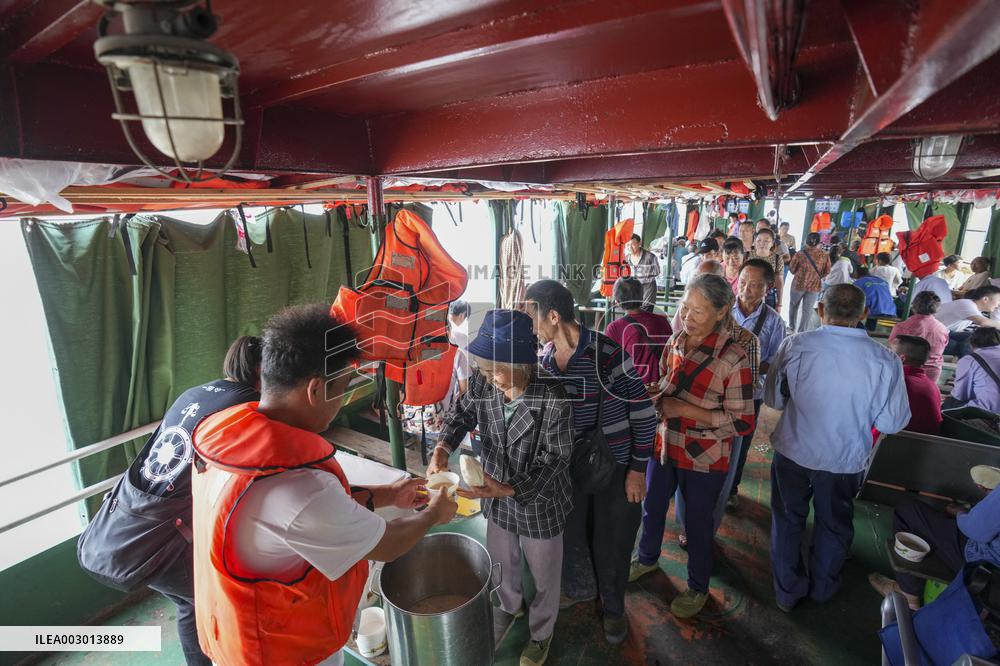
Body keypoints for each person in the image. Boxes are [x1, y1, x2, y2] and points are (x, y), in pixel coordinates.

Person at [191, 305, 458, 666]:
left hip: (231, 623)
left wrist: (388, 495)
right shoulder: (297, 489)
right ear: (316, 390)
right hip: (280, 649)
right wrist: (433, 515)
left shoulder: (228, 438)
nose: (342, 402)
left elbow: (301, 521)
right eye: (343, 390)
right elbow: (388, 543)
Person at [78, 336, 262, 666]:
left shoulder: (193, 394)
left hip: (130, 522)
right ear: (264, 369)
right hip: (161, 538)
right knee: (207, 601)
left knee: (188, 604)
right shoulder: (247, 403)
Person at [427, 310, 573, 666]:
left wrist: (507, 489)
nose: (491, 378)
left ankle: (542, 632)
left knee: (544, 574)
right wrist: (442, 448)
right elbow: (462, 414)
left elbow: (555, 462)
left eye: (498, 370)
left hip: (538, 502)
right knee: (501, 561)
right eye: (486, 369)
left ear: (523, 363)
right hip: (493, 492)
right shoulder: (482, 381)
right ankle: (509, 605)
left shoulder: (553, 399)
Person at [523, 280, 656, 645]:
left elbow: (644, 414)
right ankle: (580, 588)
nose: (528, 322)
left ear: (552, 315)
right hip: (570, 468)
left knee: (612, 541)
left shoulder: (609, 354)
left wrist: (637, 470)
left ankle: (613, 609)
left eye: (531, 313)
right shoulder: (546, 361)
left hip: (615, 466)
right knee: (572, 534)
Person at [765, 284, 910, 612]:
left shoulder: (796, 345)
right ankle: (823, 589)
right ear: (864, 314)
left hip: (793, 451)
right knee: (834, 524)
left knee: (788, 520)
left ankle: (788, 593)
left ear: (819, 310)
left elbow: (774, 399)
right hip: (844, 460)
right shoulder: (885, 360)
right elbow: (891, 423)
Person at [629, 273, 755, 619]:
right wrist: (653, 393)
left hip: (705, 457)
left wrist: (685, 409)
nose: (689, 317)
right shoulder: (676, 341)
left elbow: (743, 421)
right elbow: (667, 381)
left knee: (697, 524)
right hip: (666, 444)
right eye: (686, 308)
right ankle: (647, 558)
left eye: (699, 312)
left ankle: (698, 587)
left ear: (721, 312)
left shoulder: (734, 357)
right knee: (652, 507)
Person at [870, 486, 1000, 610]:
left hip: (984, 567)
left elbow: (976, 528)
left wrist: (962, 513)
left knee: (907, 510)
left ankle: (907, 595)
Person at [727, 259, 786, 505]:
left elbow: (775, 361)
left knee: (740, 442)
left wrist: (740, 366)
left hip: (751, 392)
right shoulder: (722, 310)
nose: (745, 289)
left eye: (754, 285)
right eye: (742, 282)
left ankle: (731, 489)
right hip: (715, 389)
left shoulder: (774, 322)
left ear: (768, 287)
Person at [605, 277, 673, 385]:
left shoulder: (614, 328)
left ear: (617, 301)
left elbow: (608, 365)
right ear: (642, 297)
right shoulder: (662, 321)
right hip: (660, 385)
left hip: (633, 390)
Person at [888, 291, 949, 383]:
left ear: (914, 305)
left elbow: (892, 348)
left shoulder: (902, 326)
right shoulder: (943, 329)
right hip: (932, 371)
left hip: (906, 371)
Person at [890, 335, 943, 435]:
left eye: (890, 352)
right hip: (926, 442)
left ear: (902, 359)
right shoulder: (931, 384)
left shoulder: (901, 383)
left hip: (900, 441)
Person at [934, 285, 1000, 358]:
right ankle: (967, 364)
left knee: (971, 337)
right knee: (966, 346)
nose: (998, 305)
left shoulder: (974, 308)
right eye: (998, 301)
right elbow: (984, 322)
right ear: (985, 299)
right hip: (929, 336)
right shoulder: (966, 304)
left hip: (944, 333)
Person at [787, 232, 831, 333]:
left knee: (794, 306)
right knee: (807, 310)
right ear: (819, 242)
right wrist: (816, 276)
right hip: (814, 286)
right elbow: (827, 271)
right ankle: (802, 331)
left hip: (798, 284)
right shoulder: (824, 255)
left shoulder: (800, 254)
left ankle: (792, 327)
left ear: (806, 241)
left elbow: (792, 269)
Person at [950, 327, 1000, 413]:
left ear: (972, 344)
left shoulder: (970, 360)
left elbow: (961, 395)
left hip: (991, 412)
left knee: (949, 404)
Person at [748, 228, 784, 311]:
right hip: (750, 293)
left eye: (766, 241)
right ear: (754, 242)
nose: (762, 243)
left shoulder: (777, 258)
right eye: (759, 240)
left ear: (772, 243)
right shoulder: (747, 256)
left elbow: (779, 282)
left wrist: (779, 304)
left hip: (769, 296)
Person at [624, 233, 661, 311]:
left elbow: (657, 272)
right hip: (634, 294)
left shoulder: (650, 257)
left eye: (633, 244)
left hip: (648, 293)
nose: (630, 247)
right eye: (627, 245)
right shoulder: (627, 259)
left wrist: (644, 277)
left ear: (639, 243)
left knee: (646, 316)